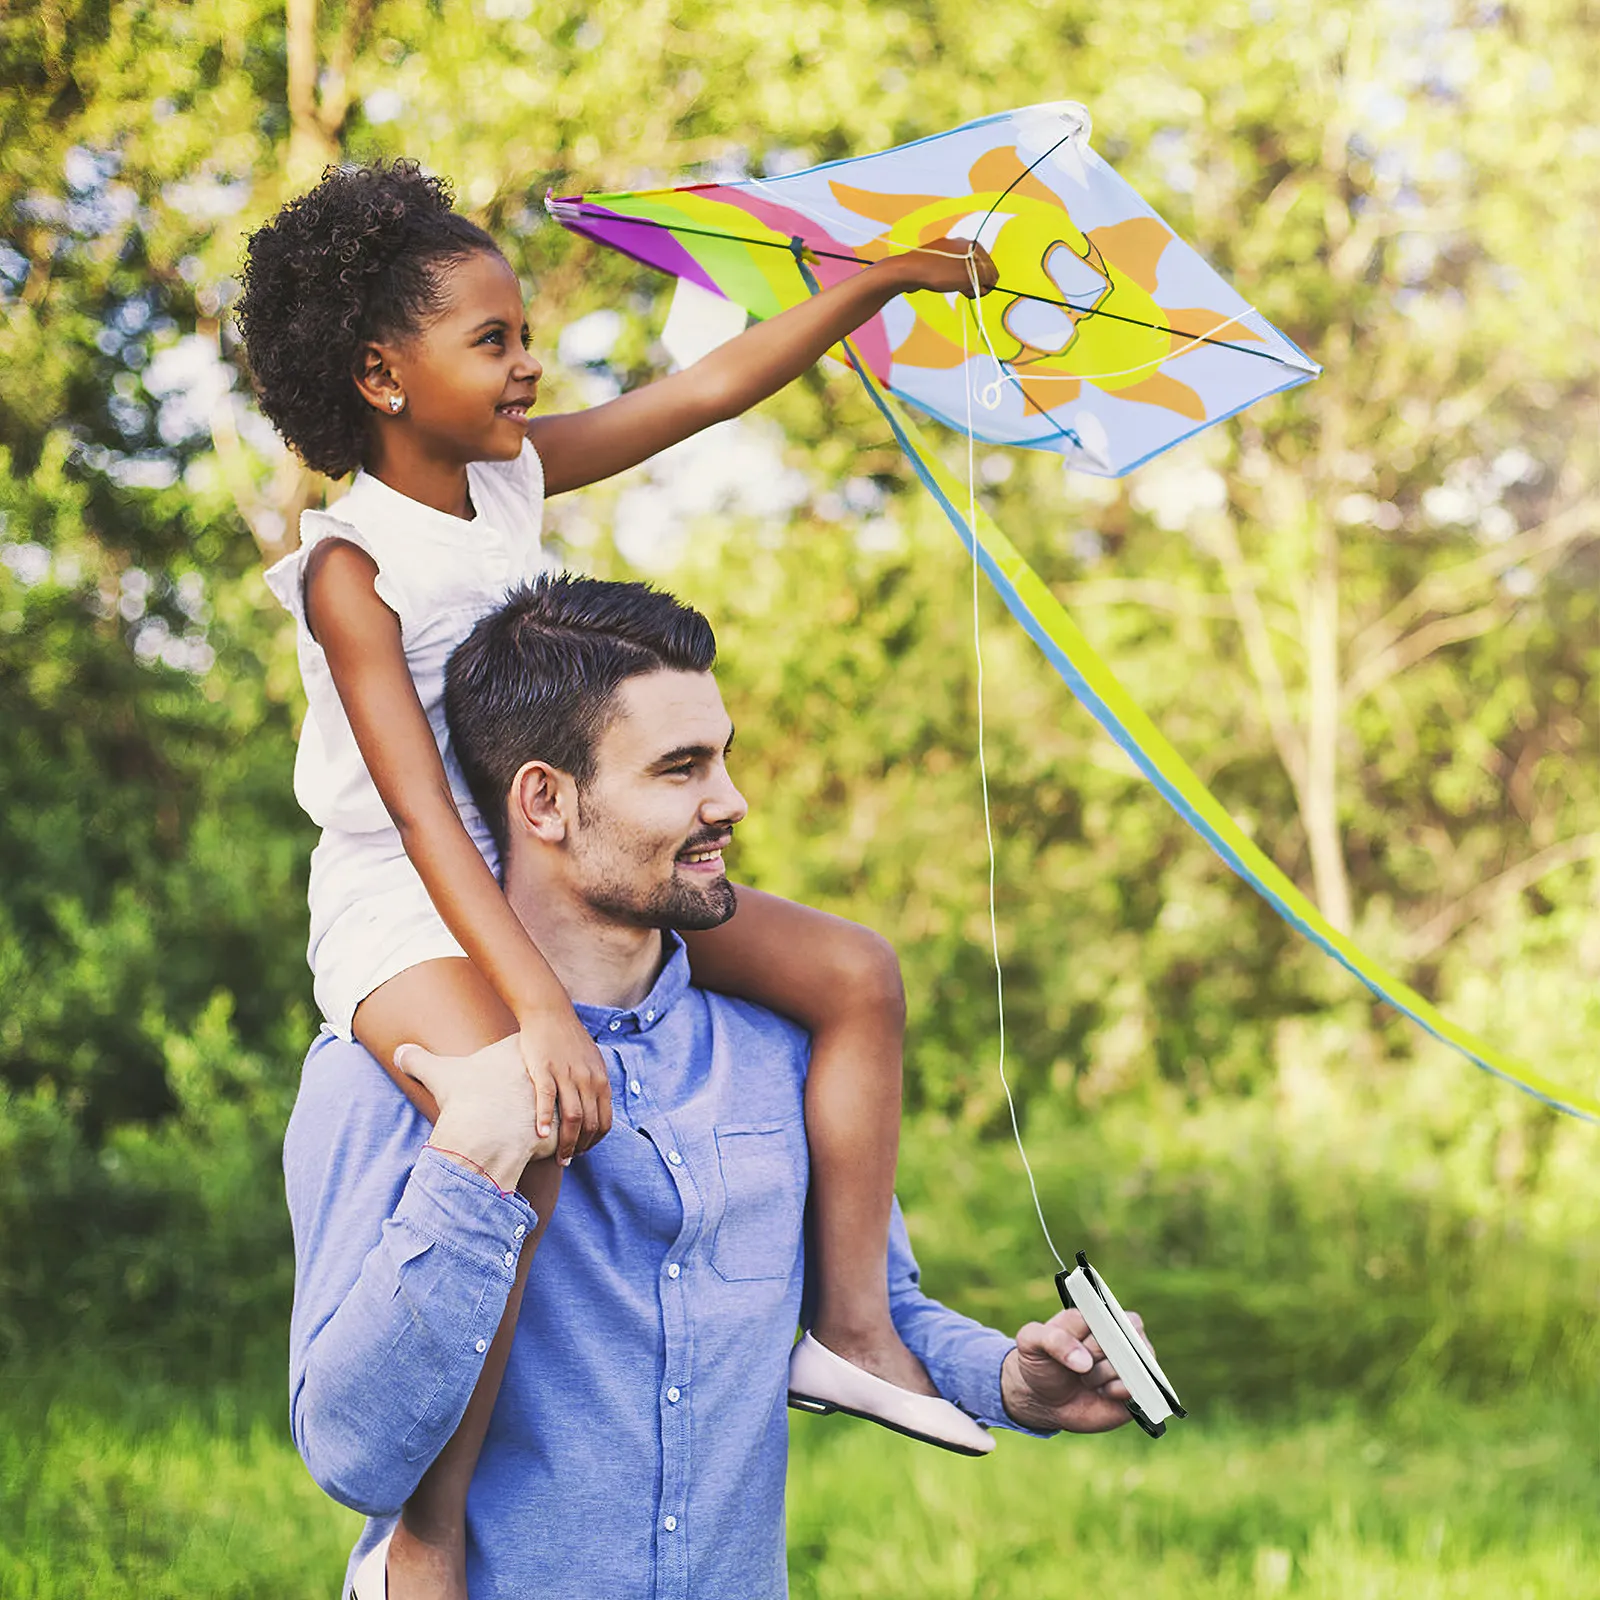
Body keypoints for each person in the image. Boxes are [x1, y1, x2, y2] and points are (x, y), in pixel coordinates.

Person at [236, 161, 999, 1595]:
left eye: (528, 335)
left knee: (855, 976)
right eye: (495, 341)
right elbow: (414, 815)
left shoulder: (509, 478)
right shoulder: (352, 567)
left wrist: (880, 281)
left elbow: (704, 394)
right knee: (525, 1114)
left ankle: (849, 1327)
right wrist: (536, 1016)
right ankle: (433, 1521)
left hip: (541, 864)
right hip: (409, 902)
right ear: (380, 375)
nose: (531, 363)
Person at [284, 573, 1153, 1600]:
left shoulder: (780, 1056)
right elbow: (351, 1454)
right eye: (680, 768)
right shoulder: (386, 1075)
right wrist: (472, 1164)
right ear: (545, 800)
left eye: (723, 757)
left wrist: (1021, 1380)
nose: (730, 801)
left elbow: (879, 1310)